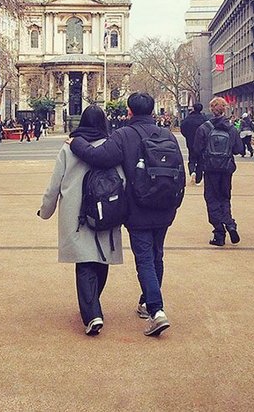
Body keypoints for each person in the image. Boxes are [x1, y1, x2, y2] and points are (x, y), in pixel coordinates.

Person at [68, 92, 181, 337]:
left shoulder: (124, 135)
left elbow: (98, 157)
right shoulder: (167, 134)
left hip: (139, 208)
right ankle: (146, 302)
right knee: (156, 254)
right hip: (165, 205)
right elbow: (179, 170)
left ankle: (156, 310)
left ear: (129, 111)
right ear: (152, 111)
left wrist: (76, 142)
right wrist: (175, 204)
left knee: (145, 260)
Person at [38, 105, 124, 335]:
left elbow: (54, 183)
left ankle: (92, 313)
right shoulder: (111, 147)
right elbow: (122, 179)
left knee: (84, 262)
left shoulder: (68, 148)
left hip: (76, 214)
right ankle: (92, 305)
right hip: (107, 209)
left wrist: (45, 210)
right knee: (101, 259)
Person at [193, 97, 244, 246]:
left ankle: (219, 232)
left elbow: (197, 149)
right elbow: (238, 149)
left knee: (211, 198)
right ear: (224, 109)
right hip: (226, 168)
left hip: (210, 168)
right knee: (225, 198)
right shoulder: (232, 129)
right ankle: (230, 223)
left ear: (211, 109)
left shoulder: (204, 128)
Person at [180, 103, 208, 179]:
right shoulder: (204, 119)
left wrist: (187, 136)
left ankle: (192, 171)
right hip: (202, 142)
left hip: (191, 141)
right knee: (200, 159)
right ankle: (198, 177)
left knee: (191, 158)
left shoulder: (188, 119)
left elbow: (182, 129)